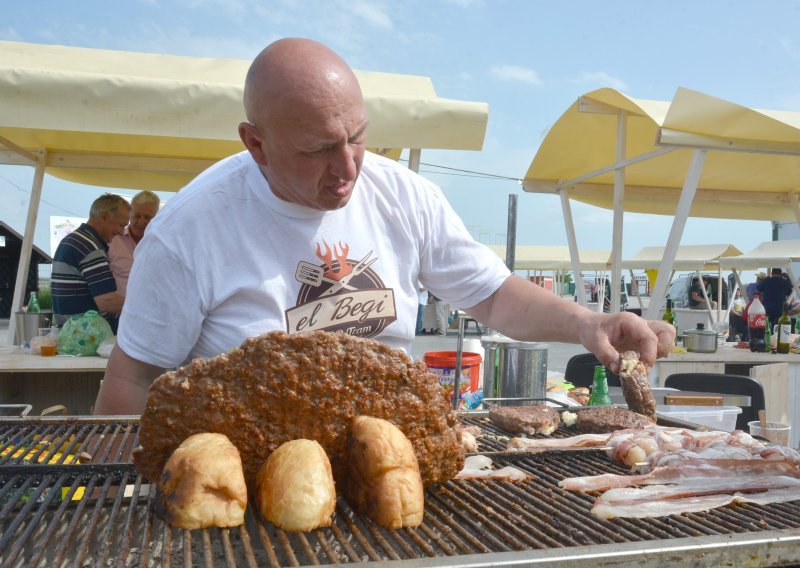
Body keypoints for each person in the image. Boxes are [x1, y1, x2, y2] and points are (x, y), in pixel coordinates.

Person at [94, 38, 674, 415]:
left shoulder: (404, 195)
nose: (347, 169)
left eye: (358, 137)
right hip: (245, 473)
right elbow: (136, 374)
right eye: (318, 149)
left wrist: (588, 322)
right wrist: (111, 505)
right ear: (256, 144)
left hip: (386, 450)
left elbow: (494, 297)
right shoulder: (191, 229)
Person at [52, 193, 131, 333]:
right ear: (104, 216)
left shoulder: (71, 240)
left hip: (71, 331)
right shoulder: (90, 247)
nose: (121, 232)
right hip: (87, 334)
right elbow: (106, 301)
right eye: (121, 225)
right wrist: (145, 308)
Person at [108, 190, 161, 296]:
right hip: (118, 311)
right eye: (137, 216)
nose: (141, 222)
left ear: (157, 217)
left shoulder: (162, 245)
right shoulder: (112, 241)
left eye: (147, 218)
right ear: (129, 215)